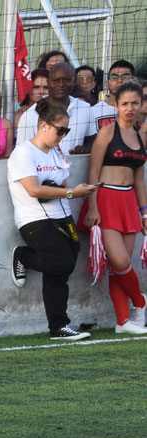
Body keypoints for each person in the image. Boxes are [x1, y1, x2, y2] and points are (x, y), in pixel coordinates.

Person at [6, 99, 97, 341]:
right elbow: (33, 190)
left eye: (66, 130)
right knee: (61, 263)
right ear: (44, 126)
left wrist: (73, 190)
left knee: (62, 269)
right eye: (61, 130)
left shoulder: (56, 152)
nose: (63, 136)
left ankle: (59, 326)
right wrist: (71, 193)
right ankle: (23, 256)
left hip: (61, 215)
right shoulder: (23, 153)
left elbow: (62, 182)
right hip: (34, 219)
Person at [81, 80, 147, 334]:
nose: (129, 108)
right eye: (124, 104)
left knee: (121, 266)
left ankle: (122, 323)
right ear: (116, 105)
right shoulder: (108, 132)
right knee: (118, 261)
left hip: (129, 202)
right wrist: (92, 207)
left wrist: (144, 212)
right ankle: (140, 302)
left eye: (134, 103)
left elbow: (139, 180)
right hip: (106, 199)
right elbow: (93, 171)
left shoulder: (140, 134)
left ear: (141, 104)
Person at [17, 62, 95, 153]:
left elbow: (92, 140)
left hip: (77, 165)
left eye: (66, 80)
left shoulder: (85, 108)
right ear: (48, 82)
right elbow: (23, 151)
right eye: (56, 80)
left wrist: (83, 150)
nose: (61, 84)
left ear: (74, 81)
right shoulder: (30, 115)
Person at [89, 60, 134, 131]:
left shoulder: (139, 110)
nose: (119, 80)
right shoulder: (92, 111)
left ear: (134, 81)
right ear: (107, 84)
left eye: (125, 76)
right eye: (114, 77)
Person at [14, 68, 49, 133]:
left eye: (46, 87)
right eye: (36, 87)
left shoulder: (58, 112)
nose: (41, 92)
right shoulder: (19, 116)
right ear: (28, 88)